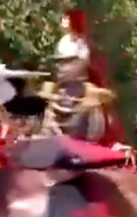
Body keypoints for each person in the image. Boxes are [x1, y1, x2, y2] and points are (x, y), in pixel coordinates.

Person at [38, 9, 124, 148]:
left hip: (78, 80)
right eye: (64, 18)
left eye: (67, 18)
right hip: (62, 82)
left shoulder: (81, 44)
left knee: (95, 101)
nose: (63, 21)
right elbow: (58, 65)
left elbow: (83, 64)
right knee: (49, 100)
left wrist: (76, 73)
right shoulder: (62, 42)